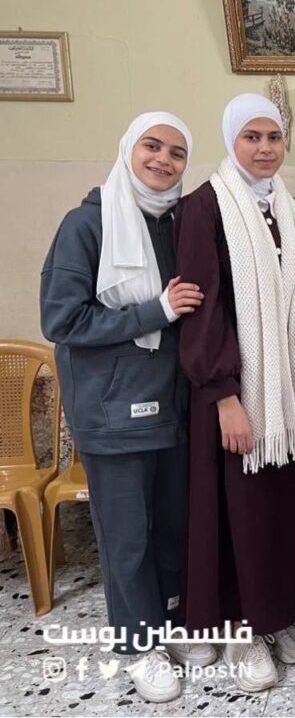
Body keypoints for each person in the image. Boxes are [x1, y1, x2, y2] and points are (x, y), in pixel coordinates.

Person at [40, 112, 213, 702]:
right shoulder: (88, 224)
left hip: (171, 407)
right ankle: (136, 645)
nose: (163, 161)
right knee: (127, 538)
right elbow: (62, 320)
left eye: (177, 153)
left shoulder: (176, 223)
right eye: (152, 146)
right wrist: (153, 312)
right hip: (113, 410)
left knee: (170, 527)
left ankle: (163, 626)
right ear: (128, 149)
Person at [175, 94, 295, 693]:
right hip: (235, 395)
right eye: (251, 137)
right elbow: (202, 311)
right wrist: (225, 394)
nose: (264, 148)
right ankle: (242, 628)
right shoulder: (203, 208)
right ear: (231, 139)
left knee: (284, 512)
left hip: (288, 397)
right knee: (239, 514)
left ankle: (279, 613)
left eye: (273, 138)